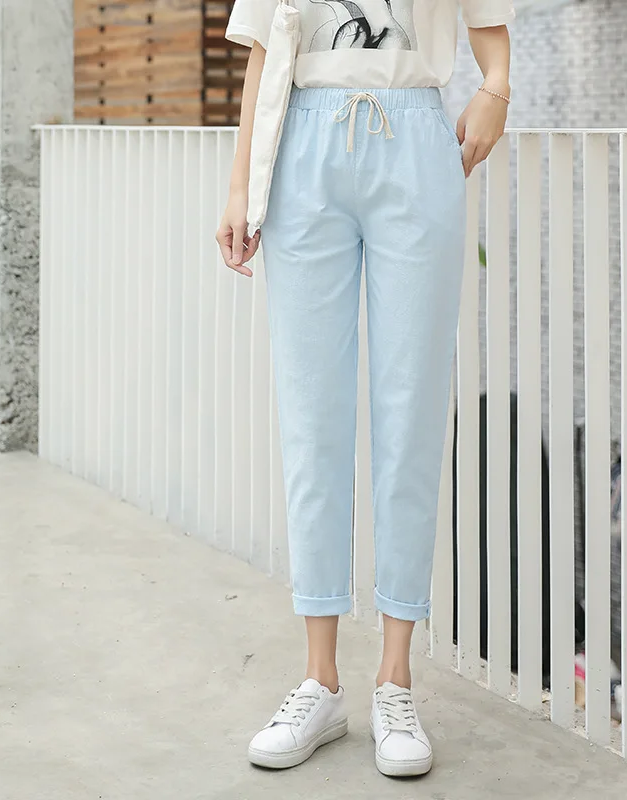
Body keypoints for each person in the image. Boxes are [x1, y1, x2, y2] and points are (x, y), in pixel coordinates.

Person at [217, 0, 513, 778]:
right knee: (311, 416)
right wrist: (240, 186)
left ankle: (395, 680)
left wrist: (497, 87)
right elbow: (261, 53)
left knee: (410, 409)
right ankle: (320, 681)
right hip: (304, 146)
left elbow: (488, 19)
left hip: (414, 139)